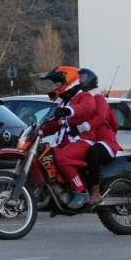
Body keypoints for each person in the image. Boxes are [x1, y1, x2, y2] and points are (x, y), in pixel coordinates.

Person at [39, 66, 97, 209]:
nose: (55, 87)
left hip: (82, 141)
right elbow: (55, 125)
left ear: (68, 81)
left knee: (61, 157)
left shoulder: (84, 96)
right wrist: (37, 131)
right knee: (45, 155)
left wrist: (69, 110)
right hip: (65, 143)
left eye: (57, 83)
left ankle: (81, 191)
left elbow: (86, 109)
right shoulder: (63, 102)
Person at [71, 68, 121, 204]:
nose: (78, 82)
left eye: (81, 79)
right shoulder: (80, 100)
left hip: (104, 140)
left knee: (93, 154)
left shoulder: (98, 98)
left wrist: (82, 128)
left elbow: (109, 122)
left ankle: (96, 194)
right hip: (89, 139)